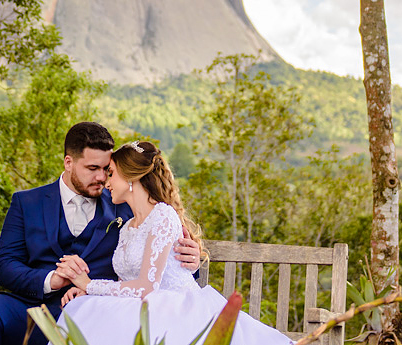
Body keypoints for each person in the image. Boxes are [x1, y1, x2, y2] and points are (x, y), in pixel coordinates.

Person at [0, 122, 203, 345]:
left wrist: (192, 260)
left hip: (98, 310)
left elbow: (162, 266)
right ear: (69, 162)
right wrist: (51, 280)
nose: (101, 178)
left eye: (107, 170)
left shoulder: (126, 203)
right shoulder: (27, 202)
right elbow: (4, 265)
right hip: (34, 308)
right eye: (92, 168)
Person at [55, 140, 290, 345]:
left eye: (112, 173)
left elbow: (146, 287)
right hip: (142, 307)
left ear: (130, 177)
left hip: (174, 310)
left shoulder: (163, 216)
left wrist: (89, 284)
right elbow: (126, 283)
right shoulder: (127, 227)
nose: (107, 181)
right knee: (82, 309)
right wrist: (89, 291)